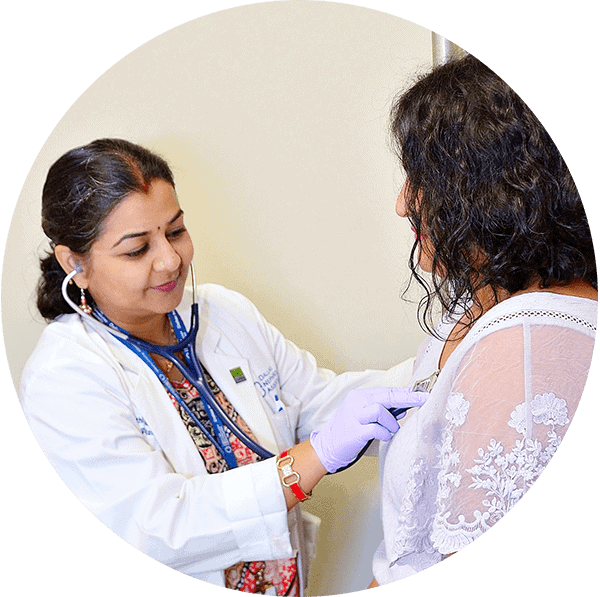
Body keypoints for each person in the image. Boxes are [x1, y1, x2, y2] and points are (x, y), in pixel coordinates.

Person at [20, 139, 427, 594]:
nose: (170, 259)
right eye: (137, 249)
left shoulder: (221, 312)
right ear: (74, 262)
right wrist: (311, 460)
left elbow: (314, 402)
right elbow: (158, 527)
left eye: (175, 231)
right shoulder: (65, 376)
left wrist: (438, 369)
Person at [370, 55, 597, 585]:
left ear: (489, 188)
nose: (404, 204)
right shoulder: (484, 300)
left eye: (422, 178)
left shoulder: (528, 343)